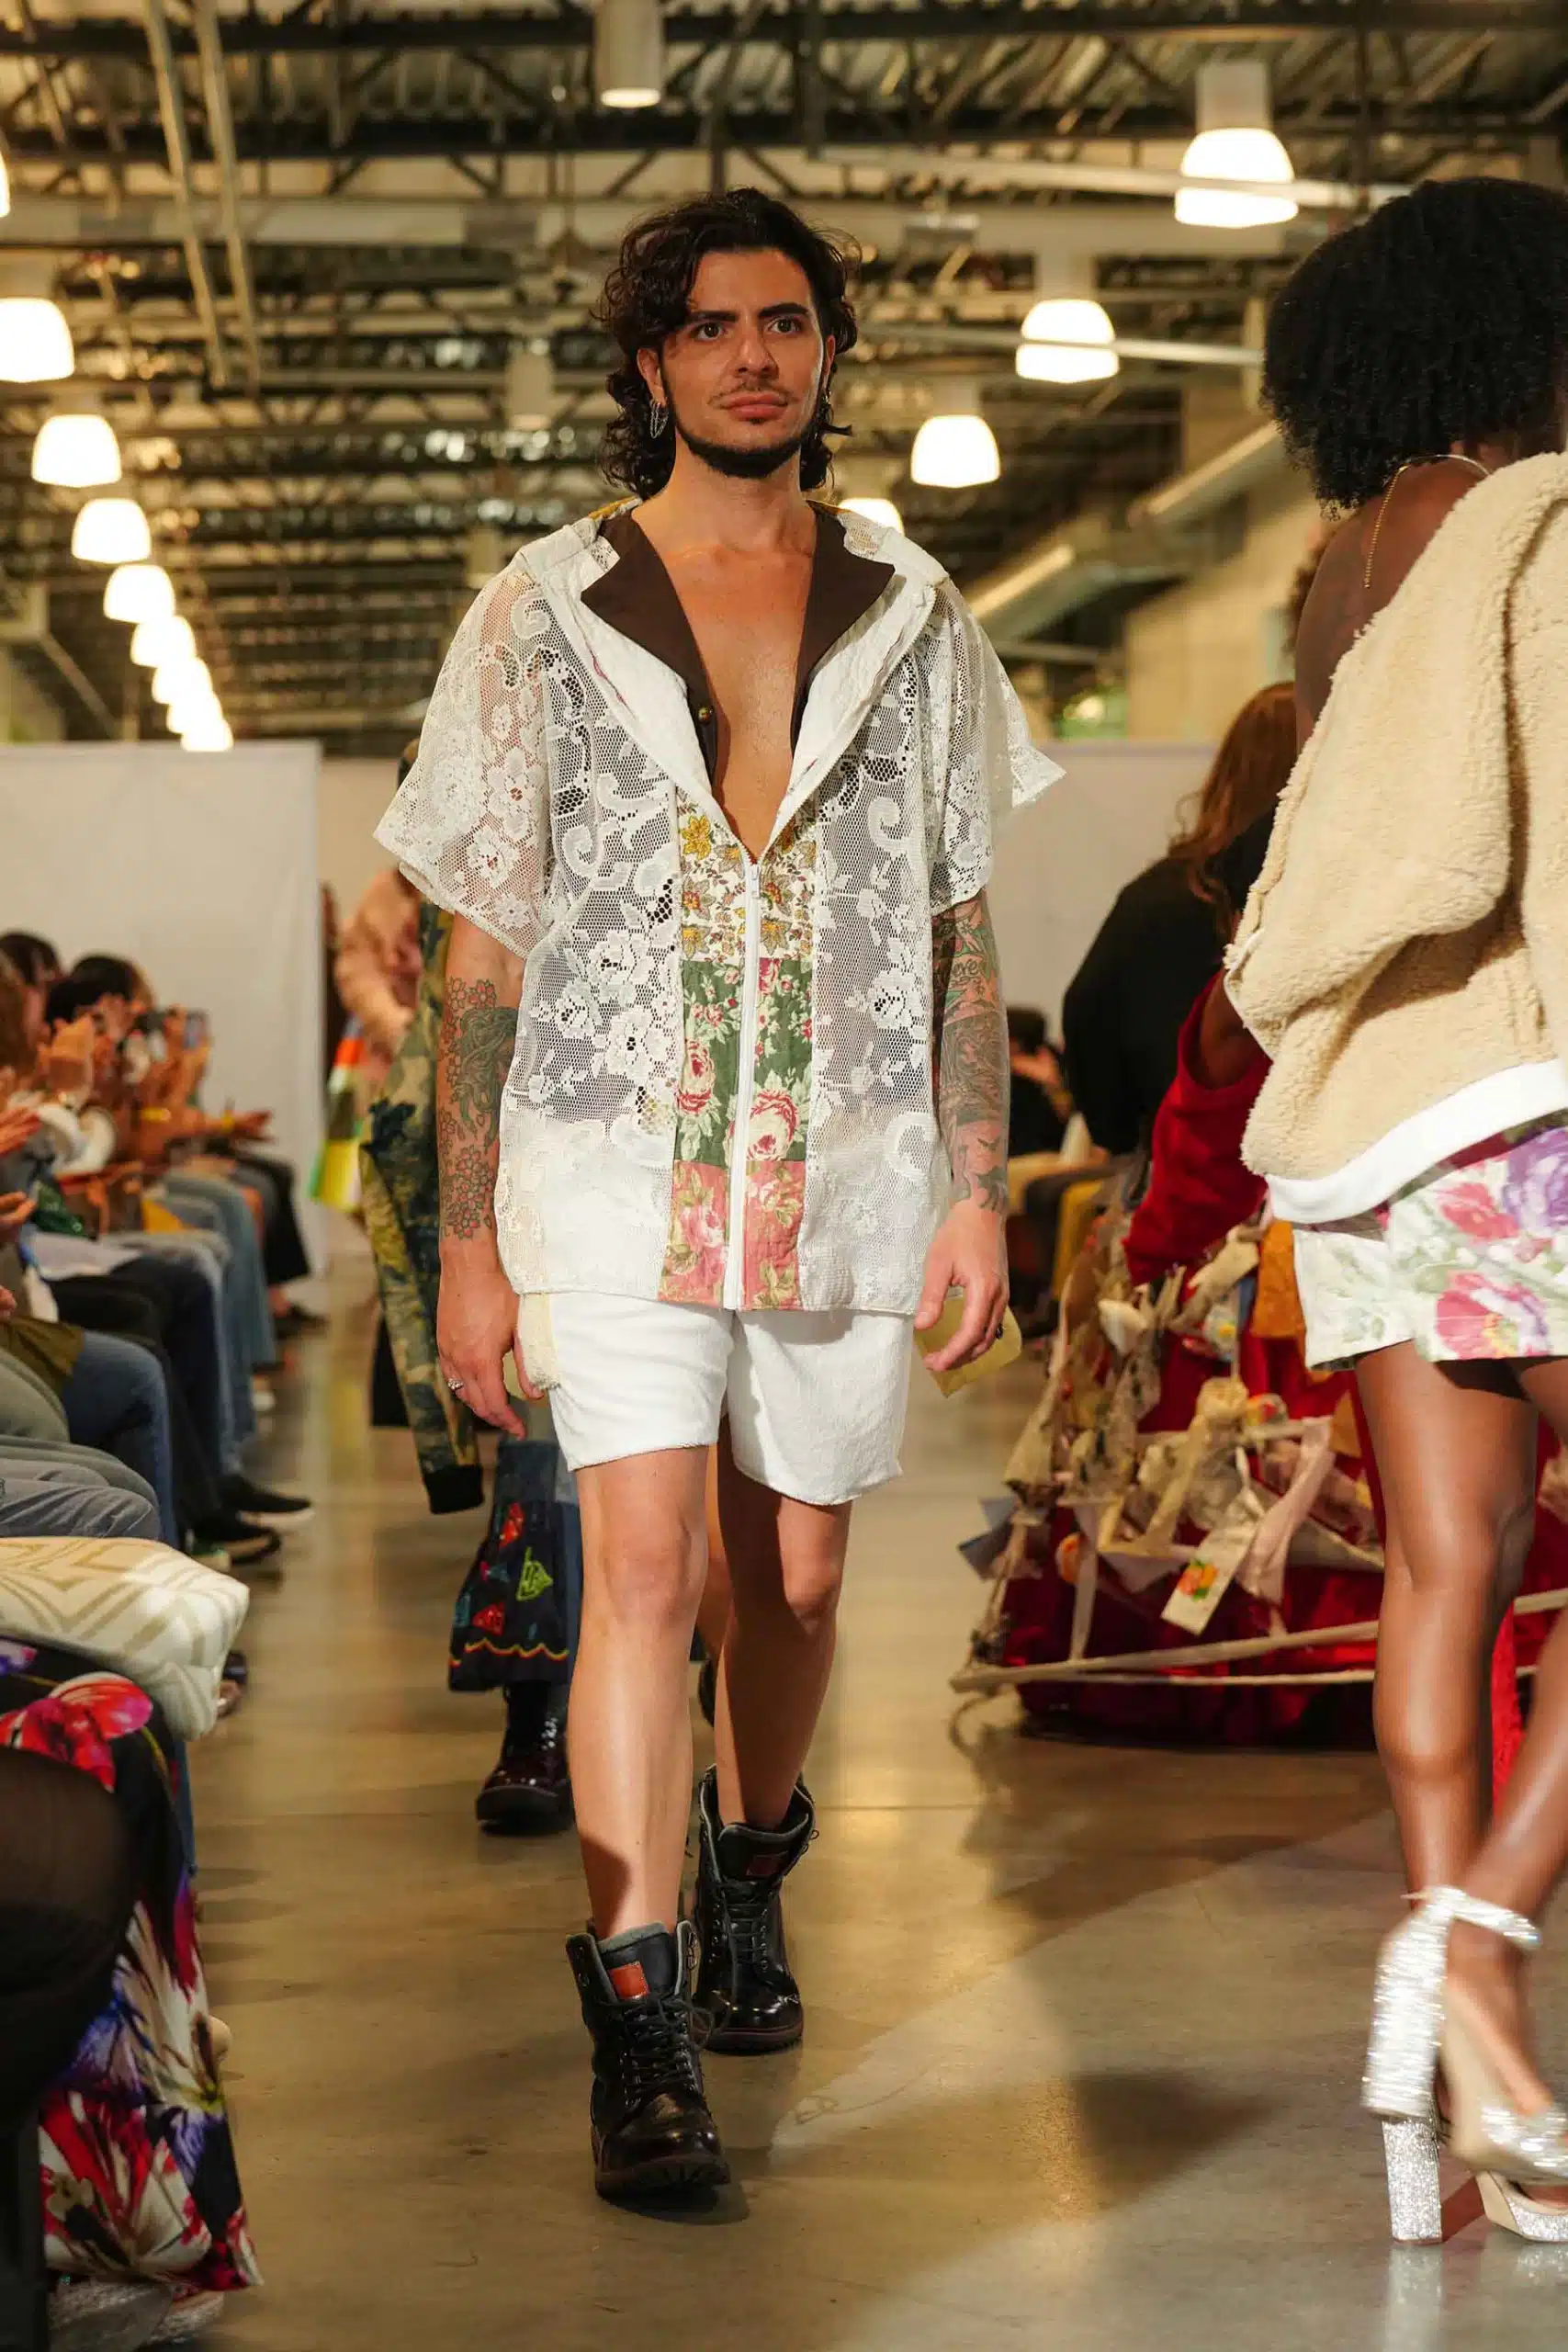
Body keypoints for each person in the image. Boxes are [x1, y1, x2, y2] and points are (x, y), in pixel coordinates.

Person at [377, 186, 1058, 2200]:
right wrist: (469, 1241)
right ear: (651, 360)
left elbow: (956, 921)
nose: (752, 355)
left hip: (845, 1161)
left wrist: (976, 1184)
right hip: (610, 1160)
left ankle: (750, 1859)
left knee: (804, 1583)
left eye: (784, 322)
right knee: (644, 1574)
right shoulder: (539, 609)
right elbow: (481, 951)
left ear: (824, 350)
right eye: (710, 325)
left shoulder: (912, 610)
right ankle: (642, 2017)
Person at [1213, 175, 1568, 2243]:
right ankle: (1479, 1954)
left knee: (1447, 1572)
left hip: (1367, 1132)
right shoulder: (1532, 522)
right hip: (1527, 1101)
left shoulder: (1337, 575)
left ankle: (1452, 2114)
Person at [1062, 681, 1297, 1159]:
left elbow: (1087, 1010)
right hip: (1298, 1166)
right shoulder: (1325, 894)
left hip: (1176, 1155)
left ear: (1227, 772)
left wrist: (1119, 1132)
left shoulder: (1155, 896)